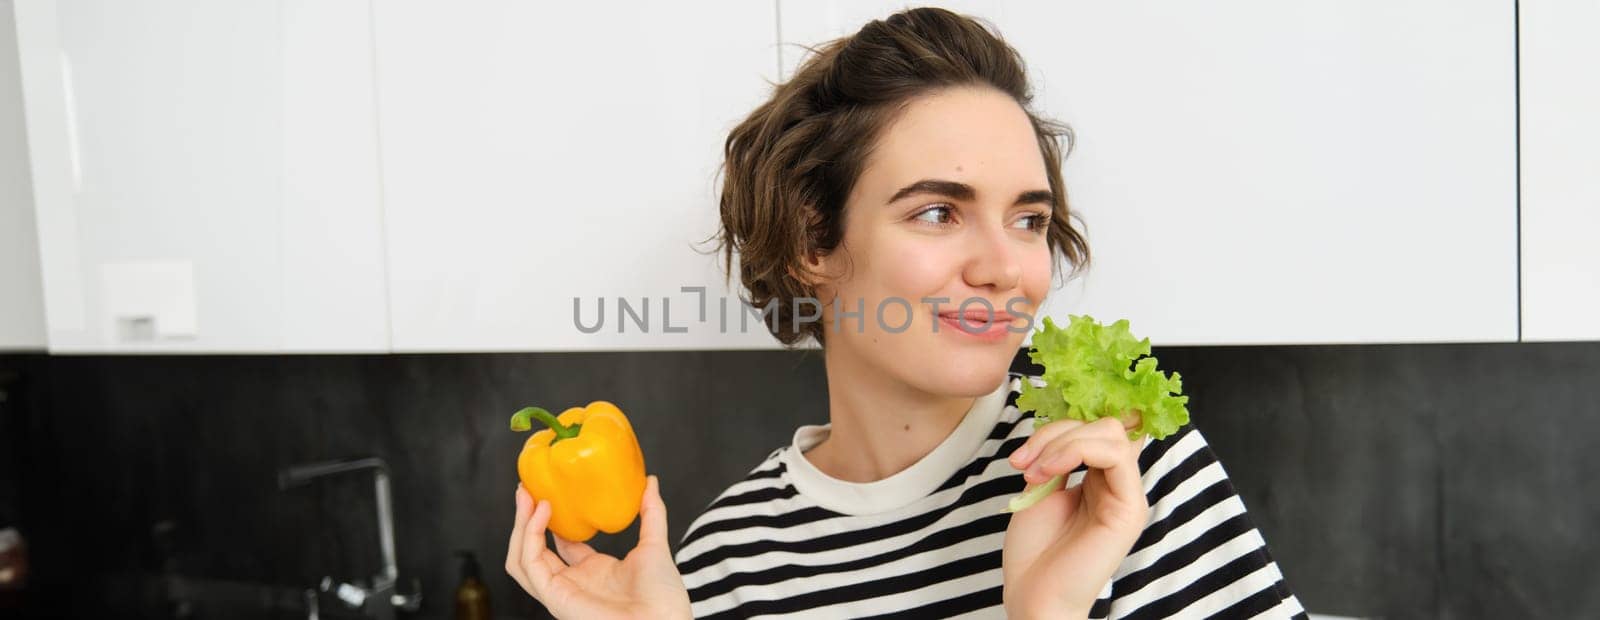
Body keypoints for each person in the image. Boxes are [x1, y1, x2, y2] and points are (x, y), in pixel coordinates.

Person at [506, 7, 1305, 619]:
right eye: (938, 213)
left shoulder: (1123, 472)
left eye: (1028, 219)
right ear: (813, 241)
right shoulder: (721, 563)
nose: (1005, 268)